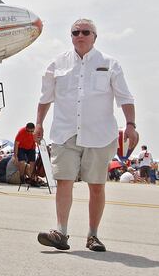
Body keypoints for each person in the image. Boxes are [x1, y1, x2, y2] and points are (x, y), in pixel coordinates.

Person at [36, 18, 137, 252]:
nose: (80, 35)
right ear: (71, 36)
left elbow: (125, 97)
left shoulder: (110, 64)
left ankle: (93, 235)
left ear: (95, 37)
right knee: (64, 181)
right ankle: (60, 233)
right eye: (75, 32)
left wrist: (131, 125)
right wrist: (39, 123)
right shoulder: (57, 64)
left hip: (99, 135)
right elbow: (45, 98)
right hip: (65, 132)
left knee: (97, 186)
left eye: (85, 32)